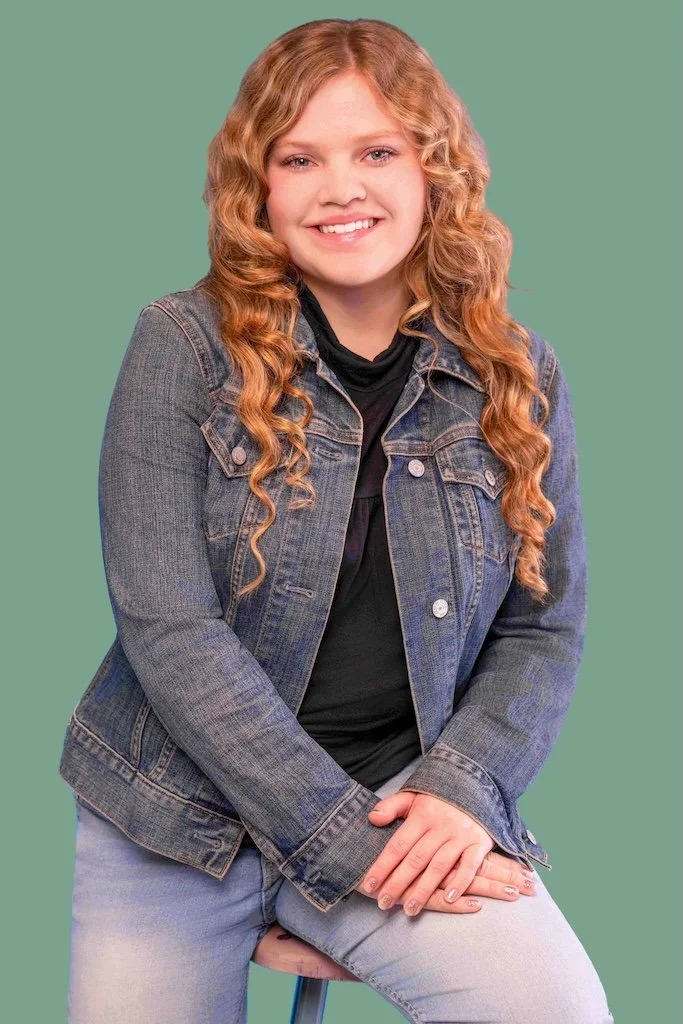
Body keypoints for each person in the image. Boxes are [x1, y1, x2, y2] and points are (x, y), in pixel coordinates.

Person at [60, 17, 614, 1024]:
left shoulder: (519, 372)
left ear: (433, 170)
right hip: (175, 814)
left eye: (376, 152)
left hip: (398, 805)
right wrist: (330, 849)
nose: (339, 188)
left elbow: (542, 625)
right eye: (299, 158)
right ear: (258, 189)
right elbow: (166, 626)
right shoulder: (181, 345)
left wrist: (461, 790)